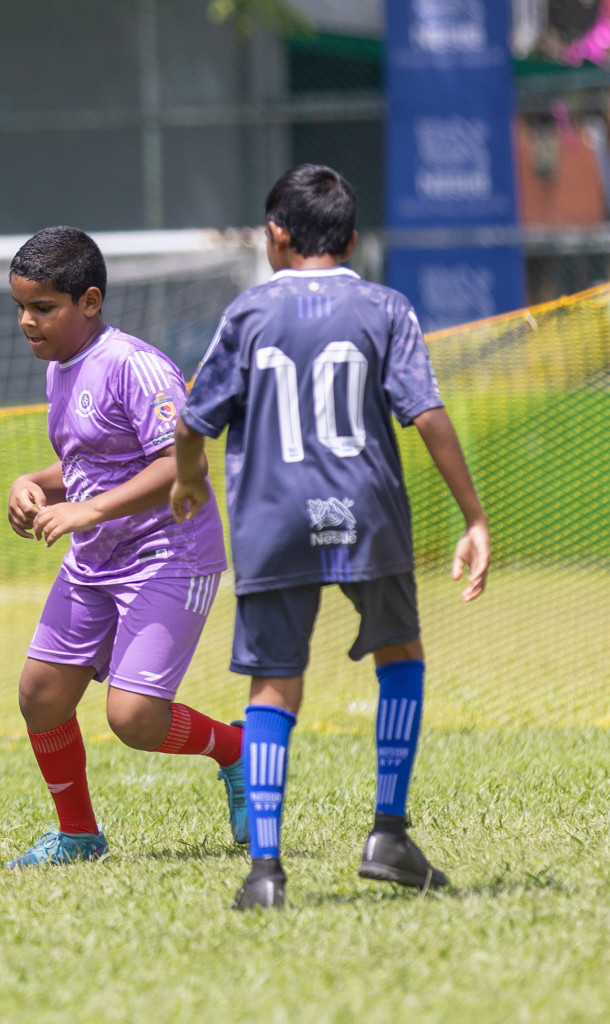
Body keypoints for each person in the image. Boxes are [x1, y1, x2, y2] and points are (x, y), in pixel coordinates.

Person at [171, 164, 490, 910]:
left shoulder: (248, 314)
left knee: (274, 679)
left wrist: (188, 481)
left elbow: (193, 420)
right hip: (366, 507)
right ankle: (387, 833)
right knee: (400, 650)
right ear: (349, 240)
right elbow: (427, 413)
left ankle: (266, 872)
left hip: (273, 516)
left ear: (276, 236)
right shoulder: (385, 307)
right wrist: (473, 514)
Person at [3, 226, 244, 869]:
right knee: (41, 694)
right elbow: (87, 462)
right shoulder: (61, 367)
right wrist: (30, 482)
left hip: (170, 555)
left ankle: (235, 750)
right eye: (21, 307)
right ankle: (78, 834)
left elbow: (181, 464)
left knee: (134, 719)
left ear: (89, 300)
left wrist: (90, 509)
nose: (28, 322)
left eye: (43, 308)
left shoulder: (135, 365)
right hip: (97, 559)